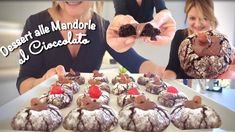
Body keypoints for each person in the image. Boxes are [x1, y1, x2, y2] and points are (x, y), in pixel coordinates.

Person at [17, 1, 164, 94]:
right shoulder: (35, 24)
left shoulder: (103, 28)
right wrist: (42, 81)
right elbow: (24, 84)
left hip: (88, 114)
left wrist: (164, 72)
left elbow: (135, 63)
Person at [163, 0, 235, 79]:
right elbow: (172, 68)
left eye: (204, 18)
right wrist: (168, 83)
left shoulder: (221, 43)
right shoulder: (180, 35)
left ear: (210, 18)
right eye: (192, 18)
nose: (197, 24)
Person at [108, 0, 176, 52]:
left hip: (150, 41)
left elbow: (162, 8)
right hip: (131, 41)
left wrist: (166, 14)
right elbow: (120, 11)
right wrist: (119, 20)